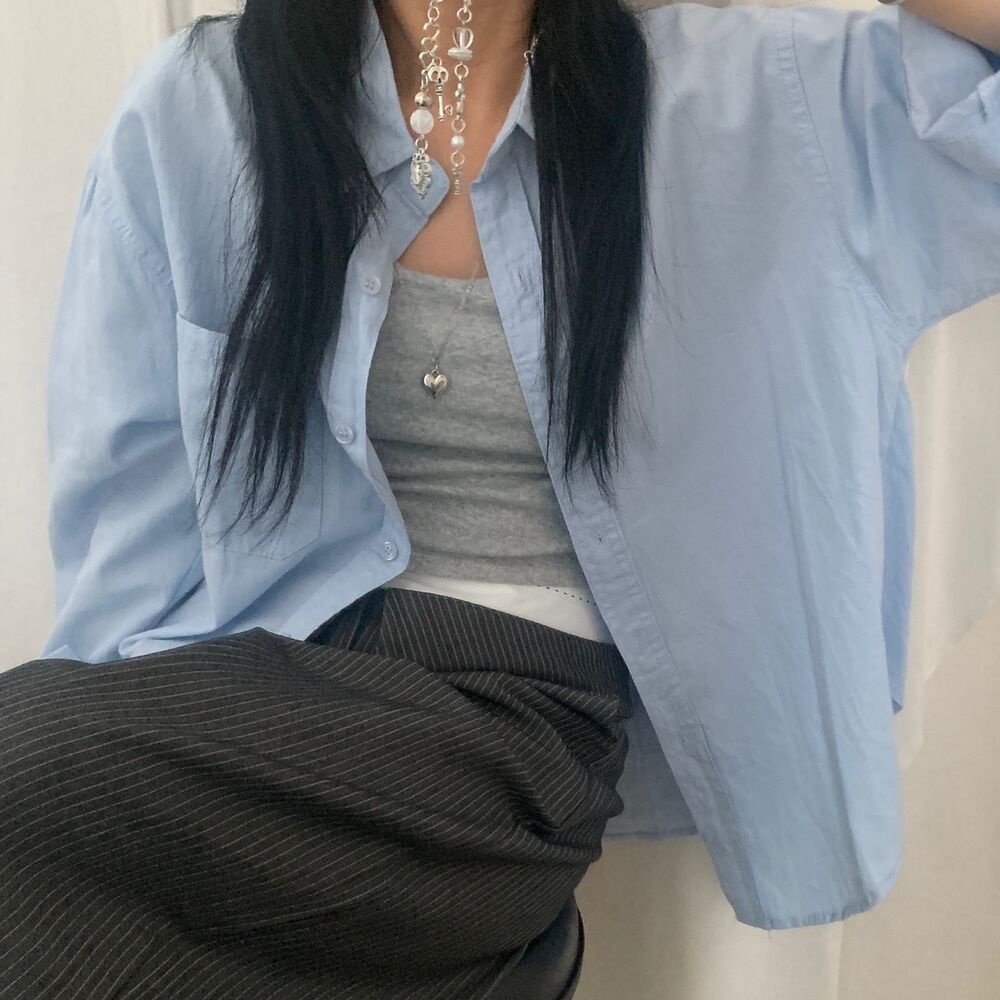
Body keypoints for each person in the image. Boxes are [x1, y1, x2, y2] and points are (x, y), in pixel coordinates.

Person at [2, 0, 1000, 996]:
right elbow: (128, 529)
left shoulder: (755, 101)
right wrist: (110, 759)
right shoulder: (199, 109)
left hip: (517, 715)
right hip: (254, 690)